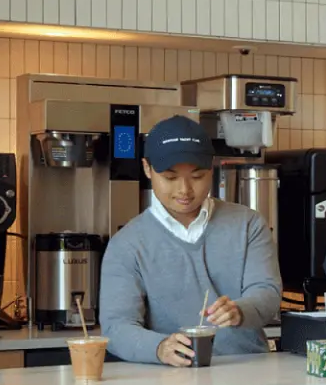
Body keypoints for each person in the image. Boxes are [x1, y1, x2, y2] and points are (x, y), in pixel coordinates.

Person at [100, 115, 282, 366]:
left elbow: (267, 293)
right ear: (146, 168)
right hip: (170, 381)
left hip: (248, 370)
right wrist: (159, 348)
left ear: (212, 168)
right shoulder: (127, 244)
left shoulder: (247, 224)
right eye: (170, 177)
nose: (184, 190)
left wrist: (240, 310)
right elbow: (116, 326)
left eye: (197, 176)